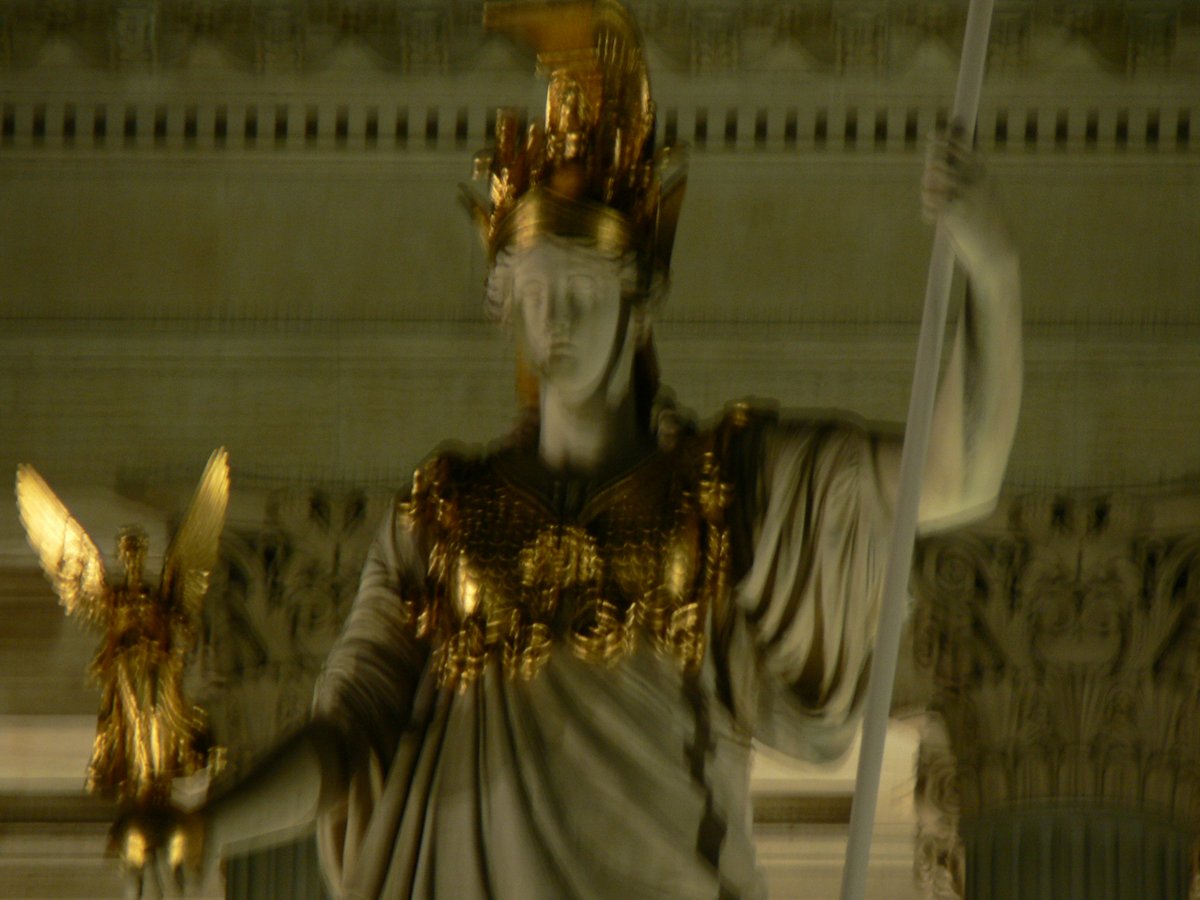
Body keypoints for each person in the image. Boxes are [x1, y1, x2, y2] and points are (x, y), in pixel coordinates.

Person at [122, 1, 1022, 897]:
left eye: (582, 293)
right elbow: (351, 733)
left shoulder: (724, 484)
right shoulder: (444, 513)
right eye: (534, 294)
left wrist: (992, 271)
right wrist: (211, 824)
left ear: (637, 304)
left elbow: (957, 474)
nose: (555, 320)